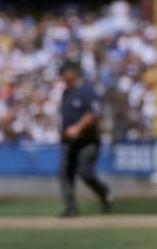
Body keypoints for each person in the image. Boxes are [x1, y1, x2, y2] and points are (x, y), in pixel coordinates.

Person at [58, 60, 112, 217]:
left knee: (85, 172)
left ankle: (104, 192)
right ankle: (71, 208)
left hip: (88, 140)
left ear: (74, 73)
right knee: (65, 172)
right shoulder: (66, 93)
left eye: (65, 71)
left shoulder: (87, 91)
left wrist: (77, 128)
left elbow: (93, 114)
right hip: (68, 141)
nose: (62, 75)